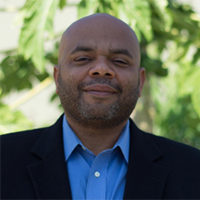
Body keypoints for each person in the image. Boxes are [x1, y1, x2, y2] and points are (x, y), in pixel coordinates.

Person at [0, 13, 200, 200]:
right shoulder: (4, 161)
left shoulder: (192, 171)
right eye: (83, 59)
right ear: (57, 78)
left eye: (120, 61)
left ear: (140, 82)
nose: (101, 70)